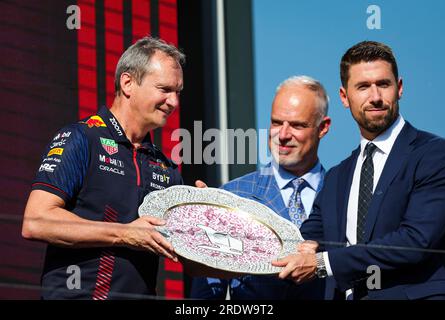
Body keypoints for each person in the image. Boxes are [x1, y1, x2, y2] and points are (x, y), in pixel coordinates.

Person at [273, 41, 445, 300]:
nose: (376, 96)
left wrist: (324, 263)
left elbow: (415, 241)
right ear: (345, 97)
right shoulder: (336, 178)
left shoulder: (435, 155)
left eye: (384, 84)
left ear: (399, 88)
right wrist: (216, 221)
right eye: (363, 87)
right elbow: (304, 240)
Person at [22, 37, 186, 299]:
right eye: (164, 89)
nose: (173, 102)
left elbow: (190, 258)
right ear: (128, 83)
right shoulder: (81, 138)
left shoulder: (166, 168)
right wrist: (125, 233)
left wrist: (204, 212)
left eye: (178, 92)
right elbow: (36, 221)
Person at [190, 75, 331, 299]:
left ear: (323, 127)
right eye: (276, 122)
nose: (283, 135)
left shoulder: (343, 194)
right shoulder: (232, 196)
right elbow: (205, 294)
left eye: (296, 125)